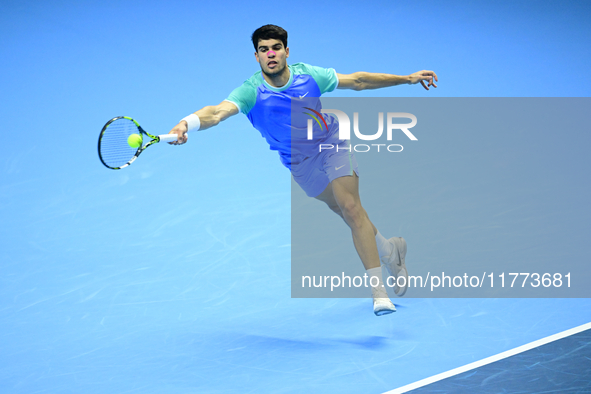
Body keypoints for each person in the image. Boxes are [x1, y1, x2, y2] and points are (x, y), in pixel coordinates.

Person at [167, 25, 438, 316]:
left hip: (330, 143)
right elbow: (217, 112)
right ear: (256, 56)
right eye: (263, 49)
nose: (270, 54)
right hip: (297, 162)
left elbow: (358, 81)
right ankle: (389, 250)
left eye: (275, 47)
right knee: (343, 211)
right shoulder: (251, 91)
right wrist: (187, 123)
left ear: (286, 51)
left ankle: (379, 292)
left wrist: (406, 79)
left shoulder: (308, 75)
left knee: (350, 207)